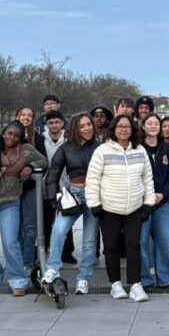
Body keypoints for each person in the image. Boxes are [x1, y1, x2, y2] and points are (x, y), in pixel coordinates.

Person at [0, 121, 46, 296]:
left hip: (11, 202)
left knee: (10, 241)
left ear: (20, 138)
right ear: (4, 133)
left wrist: (30, 166)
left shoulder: (26, 150)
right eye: (9, 133)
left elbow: (44, 160)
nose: (12, 137)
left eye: (16, 135)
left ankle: (18, 280)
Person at [86, 114, 156, 302]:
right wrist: (94, 203)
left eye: (127, 126)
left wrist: (148, 203)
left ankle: (136, 285)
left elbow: (147, 179)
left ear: (132, 130)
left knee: (134, 245)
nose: (123, 129)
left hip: (135, 207)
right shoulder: (102, 151)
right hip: (109, 207)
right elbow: (92, 179)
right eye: (120, 126)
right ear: (113, 129)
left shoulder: (140, 150)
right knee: (111, 246)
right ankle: (115, 284)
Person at [43, 113, 102, 294]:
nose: (87, 128)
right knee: (59, 229)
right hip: (73, 196)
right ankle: (53, 268)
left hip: (94, 196)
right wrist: (54, 199)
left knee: (89, 240)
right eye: (82, 126)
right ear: (75, 128)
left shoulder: (99, 147)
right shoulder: (65, 148)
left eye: (89, 124)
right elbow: (53, 174)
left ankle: (83, 278)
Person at [140, 113, 169, 290]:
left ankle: (166, 278)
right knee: (142, 241)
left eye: (156, 123)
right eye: (150, 123)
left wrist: (163, 194)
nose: (153, 126)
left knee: (165, 239)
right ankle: (145, 279)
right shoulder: (137, 149)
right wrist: (146, 195)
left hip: (162, 203)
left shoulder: (167, 149)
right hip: (141, 203)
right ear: (143, 126)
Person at [36, 110, 73, 266]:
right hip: (45, 185)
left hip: (66, 184)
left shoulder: (69, 139)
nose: (54, 125)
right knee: (45, 220)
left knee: (66, 219)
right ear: (46, 125)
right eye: (50, 123)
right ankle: (43, 250)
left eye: (57, 122)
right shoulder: (40, 140)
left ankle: (66, 252)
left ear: (62, 123)